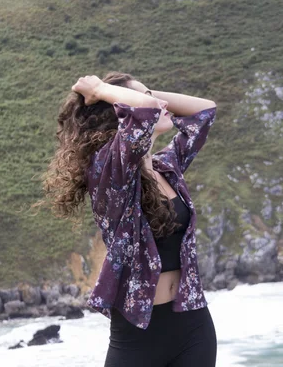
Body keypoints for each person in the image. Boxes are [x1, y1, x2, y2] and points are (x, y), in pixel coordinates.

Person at [39, 71, 218, 366]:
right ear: (119, 114)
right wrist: (100, 88)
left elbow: (204, 110)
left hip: (193, 325)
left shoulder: (167, 168)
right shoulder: (109, 176)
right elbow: (145, 113)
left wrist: (145, 94)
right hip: (138, 336)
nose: (158, 104)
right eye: (143, 98)